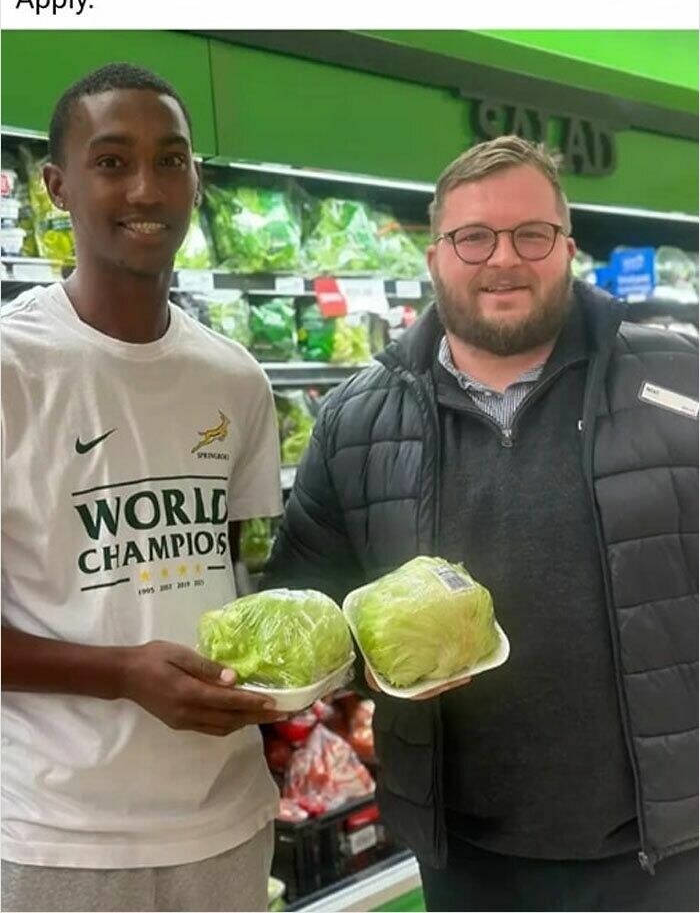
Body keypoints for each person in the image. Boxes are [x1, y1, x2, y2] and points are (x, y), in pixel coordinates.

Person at [265, 135, 698, 913]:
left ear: (567, 248)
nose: (503, 258)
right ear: (435, 255)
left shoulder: (679, 380)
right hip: (467, 856)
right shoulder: (355, 420)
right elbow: (307, 599)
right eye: (473, 237)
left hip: (669, 848)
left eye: (532, 234)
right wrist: (362, 663)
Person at [1, 64, 283, 913]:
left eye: (171, 160)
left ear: (197, 178)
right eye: (112, 161)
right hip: (58, 836)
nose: (147, 189)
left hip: (227, 818)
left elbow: (233, 581)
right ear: (57, 186)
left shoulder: (236, 379)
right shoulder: (14, 367)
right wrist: (123, 672)